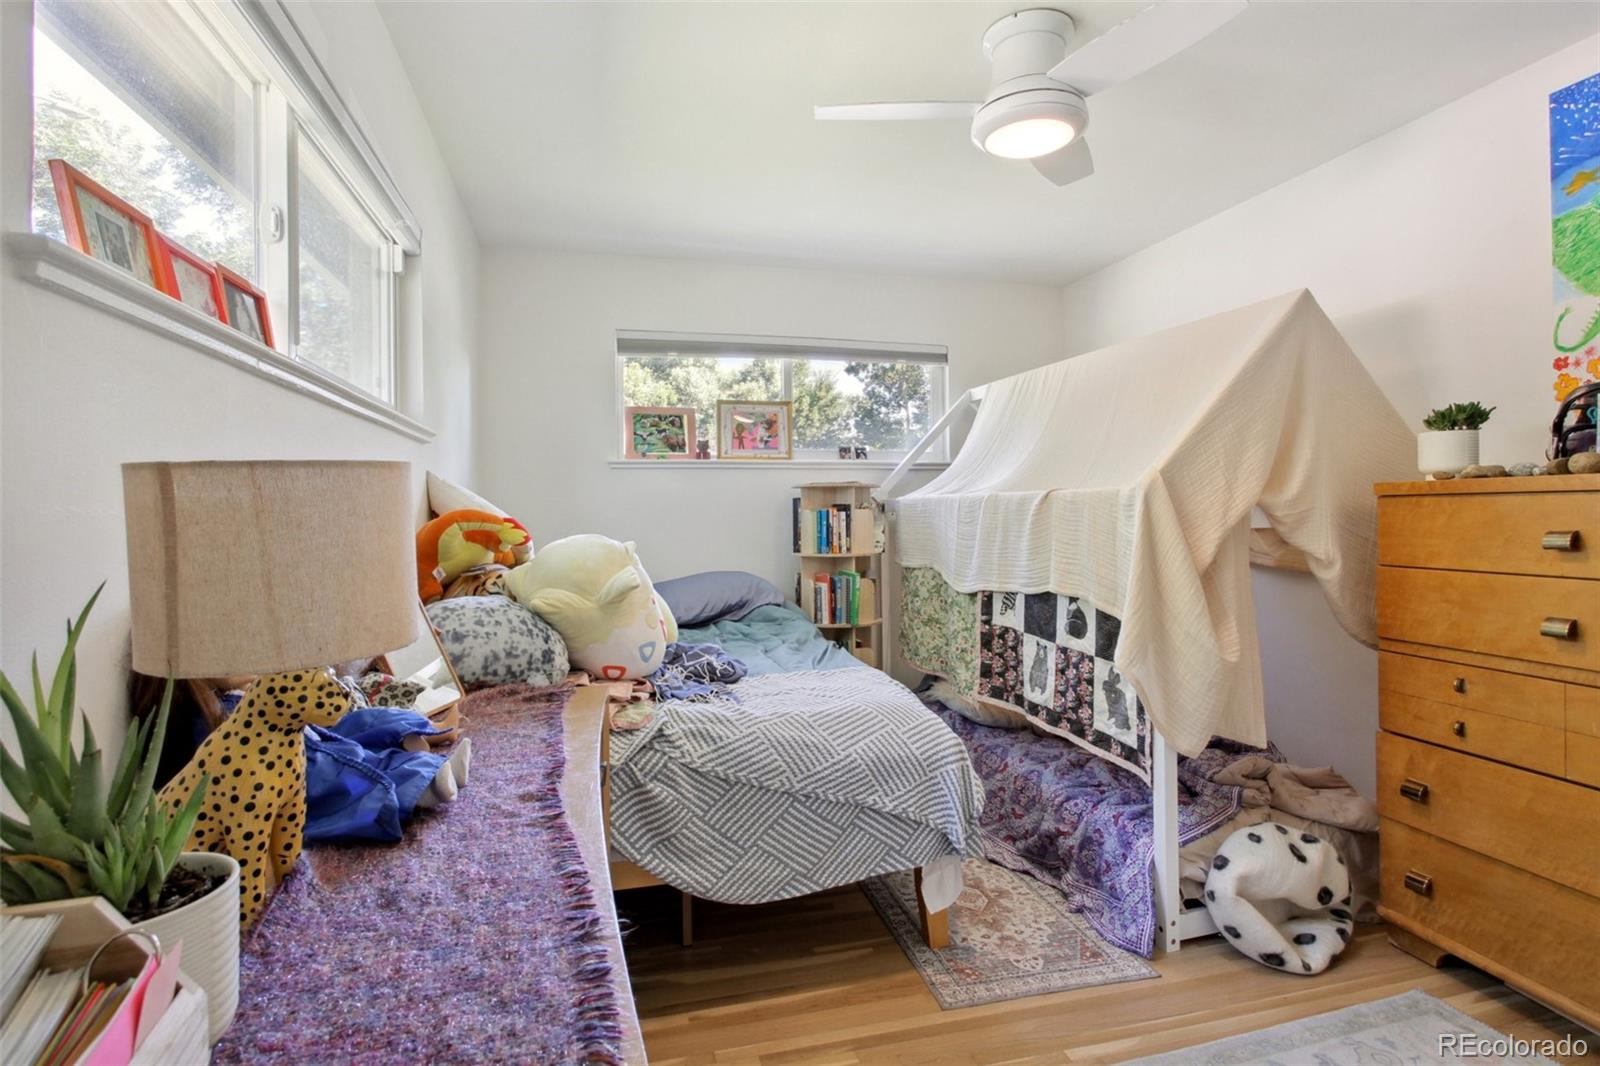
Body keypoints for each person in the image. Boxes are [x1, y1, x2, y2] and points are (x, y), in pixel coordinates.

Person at [130, 670, 471, 845]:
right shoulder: (209, 724)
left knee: (355, 726)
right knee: (342, 767)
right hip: (292, 766)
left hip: (309, 737)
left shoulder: (239, 694)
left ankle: (420, 729)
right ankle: (421, 778)